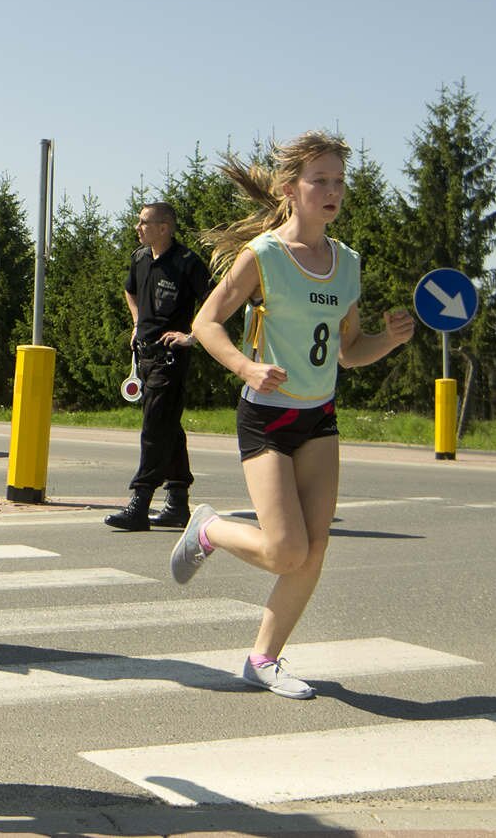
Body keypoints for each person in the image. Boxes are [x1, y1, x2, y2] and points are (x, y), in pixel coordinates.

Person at [170, 131, 415, 700]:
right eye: (319, 180)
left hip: (319, 417)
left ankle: (263, 658)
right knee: (286, 551)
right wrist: (246, 367)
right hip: (267, 417)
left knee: (315, 549)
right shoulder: (265, 256)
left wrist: (388, 340)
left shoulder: (347, 263)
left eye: (339, 181)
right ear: (290, 189)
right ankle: (209, 529)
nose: (332, 191)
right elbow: (206, 323)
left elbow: (349, 351)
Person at [105, 203, 211, 531]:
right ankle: (178, 502)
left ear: (164, 228)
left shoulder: (187, 263)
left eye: (144, 222)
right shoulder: (140, 257)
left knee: (154, 428)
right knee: (168, 426)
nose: (137, 227)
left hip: (170, 359)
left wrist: (192, 337)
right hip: (145, 357)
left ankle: (140, 502)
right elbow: (129, 290)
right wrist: (137, 323)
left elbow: (216, 303)